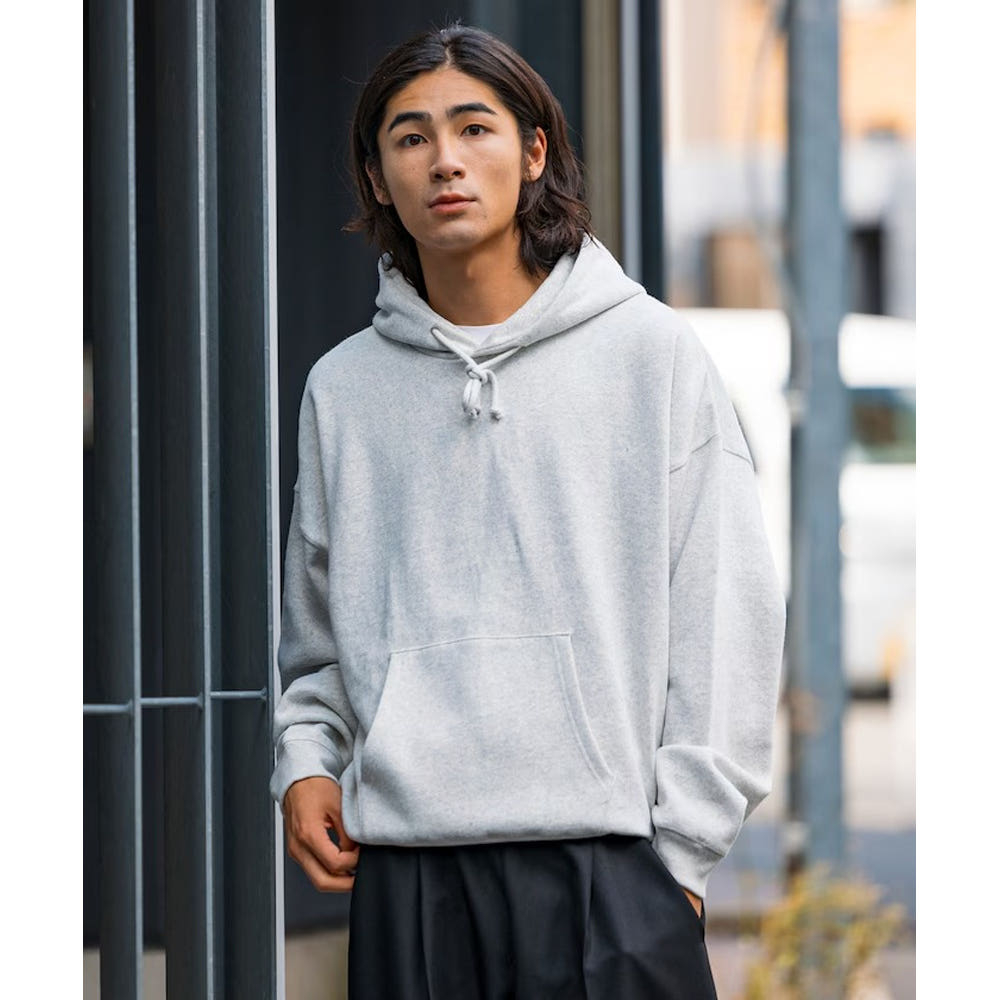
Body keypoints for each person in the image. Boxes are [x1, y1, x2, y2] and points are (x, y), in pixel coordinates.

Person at [270, 22, 785, 1000]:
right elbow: (317, 635)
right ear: (377, 178)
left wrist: (680, 857)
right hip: (411, 878)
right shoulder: (344, 388)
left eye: (475, 128)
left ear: (534, 151)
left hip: (611, 871)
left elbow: (725, 616)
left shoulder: (649, 356)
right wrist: (306, 761)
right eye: (411, 137)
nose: (445, 160)